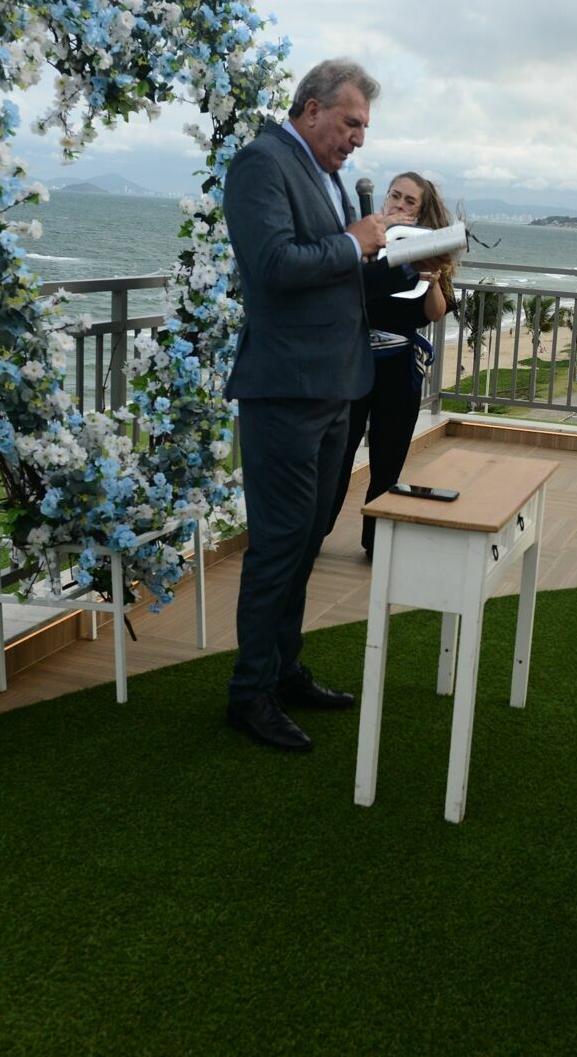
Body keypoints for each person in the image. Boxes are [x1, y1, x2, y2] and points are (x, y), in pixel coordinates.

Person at [221, 58, 389, 754]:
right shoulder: (261, 163)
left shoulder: (329, 176)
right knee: (278, 547)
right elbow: (275, 265)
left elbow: (332, 267)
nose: (357, 140)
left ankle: (283, 670)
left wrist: (384, 253)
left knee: (306, 543)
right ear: (312, 108)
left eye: (363, 129)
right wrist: (355, 242)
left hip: (335, 388)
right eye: (350, 123)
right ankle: (250, 694)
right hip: (285, 392)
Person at [327, 172, 455, 556]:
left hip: (398, 365)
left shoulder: (426, 248)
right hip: (353, 362)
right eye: (394, 196)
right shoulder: (365, 240)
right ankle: (313, 533)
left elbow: (435, 312)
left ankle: (374, 541)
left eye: (409, 201)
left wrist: (432, 281)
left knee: (388, 456)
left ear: (422, 210)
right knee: (337, 452)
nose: (398, 205)